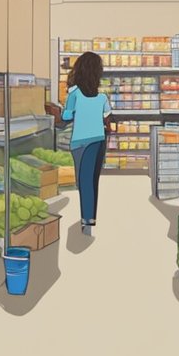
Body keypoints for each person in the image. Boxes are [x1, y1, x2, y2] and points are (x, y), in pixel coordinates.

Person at [45, 52, 112, 236]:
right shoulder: (102, 98)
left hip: (81, 144)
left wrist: (54, 110)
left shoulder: (74, 93)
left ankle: (87, 222)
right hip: (99, 142)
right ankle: (89, 219)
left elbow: (66, 117)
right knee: (92, 181)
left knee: (83, 182)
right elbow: (107, 117)